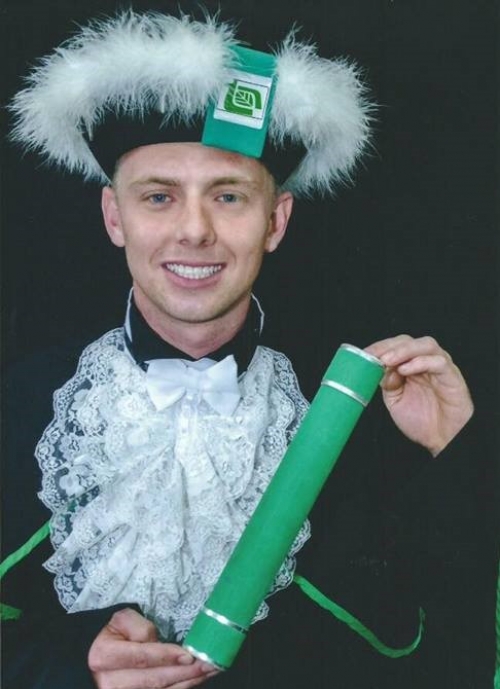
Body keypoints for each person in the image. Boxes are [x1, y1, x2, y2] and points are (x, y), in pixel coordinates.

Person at [2, 9, 497, 689]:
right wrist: (68, 667)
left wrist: (455, 456)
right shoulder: (21, 402)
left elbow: (445, 647)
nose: (195, 231)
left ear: (275, 221)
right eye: (158, 196)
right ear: (115, 216)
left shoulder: (358, 418)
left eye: (229, 196)